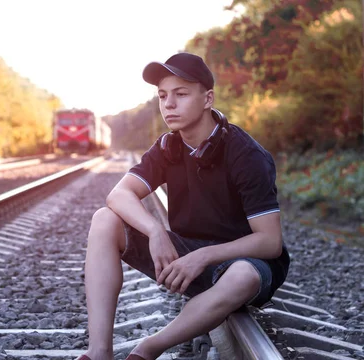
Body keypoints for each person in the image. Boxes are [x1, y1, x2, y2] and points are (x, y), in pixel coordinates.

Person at [77, 52, 291, 360]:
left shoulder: (246, 155)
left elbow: (270, 242)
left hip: (242, 261)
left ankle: (148, 348)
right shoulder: (168, 147)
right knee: (104, 219)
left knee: (243, 275)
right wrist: (155, 231)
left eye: (181, 94)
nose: (169, 104)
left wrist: (202, 257)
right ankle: (99, 352)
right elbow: (118, 195)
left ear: (207, 99)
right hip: (188, 257)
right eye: (163, 96)